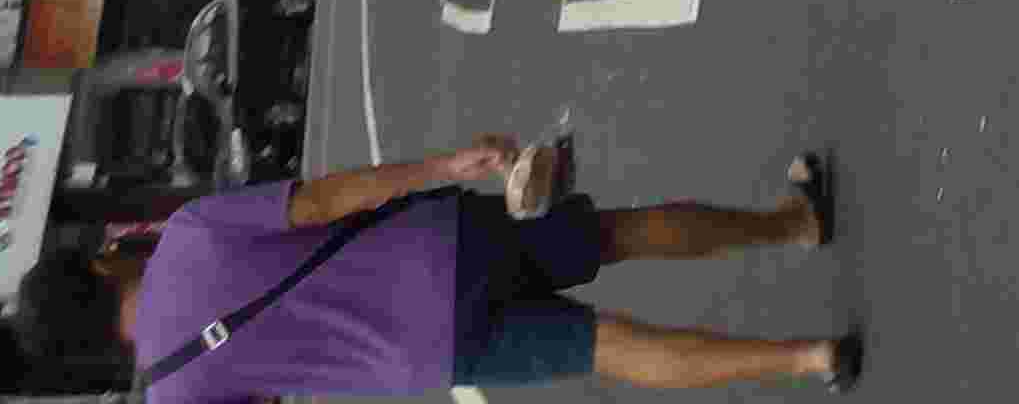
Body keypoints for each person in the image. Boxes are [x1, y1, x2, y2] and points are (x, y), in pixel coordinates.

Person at [115, 132, 848, 394]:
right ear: (102, 269)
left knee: (606, 349)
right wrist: (442, 165)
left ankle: (808, 358)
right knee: (614, 235)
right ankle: (794, 223)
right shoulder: (187, 235)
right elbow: (323, 202)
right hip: (442, 245)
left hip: (428, 354)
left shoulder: (174, 396)